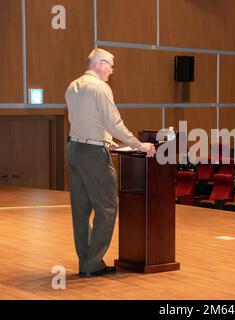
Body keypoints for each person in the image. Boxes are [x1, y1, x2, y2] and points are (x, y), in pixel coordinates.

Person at [65, 48, 156, 278]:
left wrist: (107, 141)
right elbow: (114, 123)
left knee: (81, 209)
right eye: (111, 67)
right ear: (101, 64)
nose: (111, 72)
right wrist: (139, 145)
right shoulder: (100, 88)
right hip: (93, 154)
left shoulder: (73, 86)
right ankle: (93, 263)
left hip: (74, 148)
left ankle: (85, 261)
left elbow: (87, 120)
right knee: (107, 208)